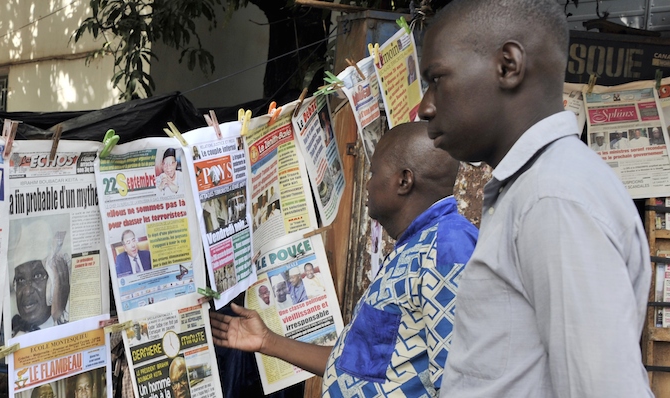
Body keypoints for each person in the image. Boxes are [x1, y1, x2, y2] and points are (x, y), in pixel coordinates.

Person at [417, 0, 652, 396]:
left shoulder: (553, 197)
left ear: (508, 66)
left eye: (437, 78)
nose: (425, 107)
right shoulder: (535, 188)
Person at [211, 122, 477, 397]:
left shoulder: (448, 248)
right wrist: (266, 340)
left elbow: (463, 383)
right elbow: (353, 367)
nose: (368, 183)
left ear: (404, 180)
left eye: (374, 172)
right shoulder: (415, 246)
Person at [11, 255, 70, 336]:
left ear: (54, 282)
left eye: (37, 276)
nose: (27, 291)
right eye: (21, 280)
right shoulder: (13, 330)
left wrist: (59, 316)